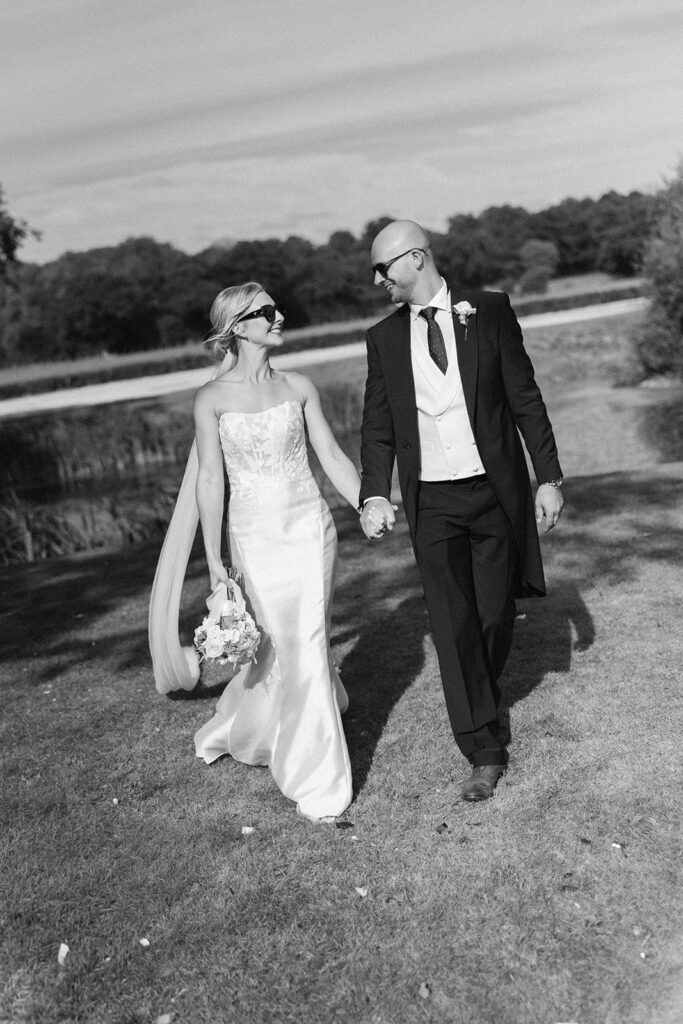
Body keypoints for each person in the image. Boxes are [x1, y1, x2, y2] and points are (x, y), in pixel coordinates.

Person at [358, 220, 564, 801]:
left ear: (416, 258)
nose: (378, 280)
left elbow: (525, 397)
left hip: (493, 492)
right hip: (434, 502)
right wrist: (375, 492)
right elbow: (377, 426)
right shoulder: (383, 339)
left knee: (495, 616)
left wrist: (548, 476)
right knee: (452, 626)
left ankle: (482, 690)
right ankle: (483, 747)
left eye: (383, 268)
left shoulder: (490, 310)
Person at [149, 282, 362, 822]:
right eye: (266, 312)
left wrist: (369, 502)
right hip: (252, 536)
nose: (279, 315)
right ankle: (257, 727)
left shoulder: (300, 386)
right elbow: (210, 482)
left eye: (276, 308)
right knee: (280, 645)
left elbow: (332, 457)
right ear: (238, 327)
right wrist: (215, 558)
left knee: (309, 639)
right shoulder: (211, 399)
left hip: (311, 529)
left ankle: (316, 778)